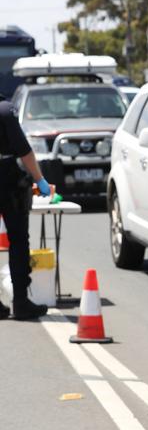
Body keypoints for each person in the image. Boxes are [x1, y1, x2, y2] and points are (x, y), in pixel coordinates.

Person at [0, 94, 51, 320]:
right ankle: (20, 302)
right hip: (7, 180)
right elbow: (24, 150)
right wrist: (39, 179)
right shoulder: (4, 110)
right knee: (18, 241)